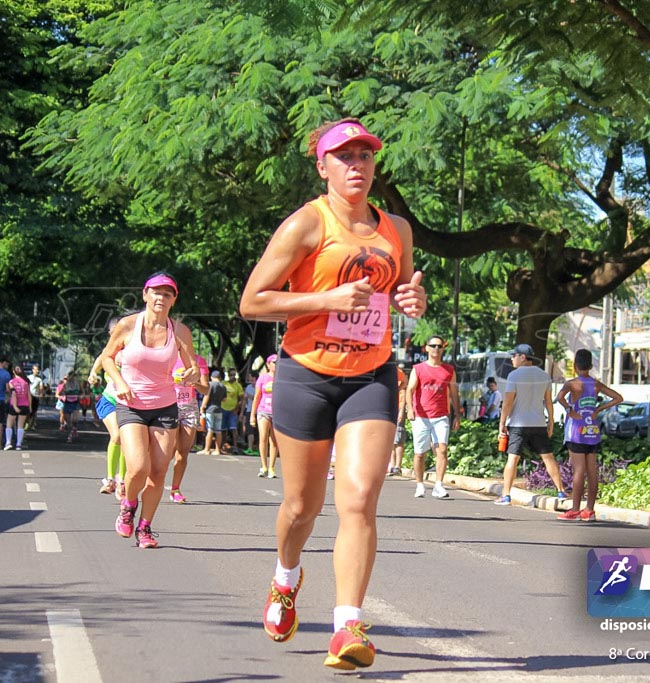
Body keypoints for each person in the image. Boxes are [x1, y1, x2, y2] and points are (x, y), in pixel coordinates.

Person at [239, 117, 425, 670]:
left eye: (365, 157)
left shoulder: (397, 229)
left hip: (370, 375)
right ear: (323, 168)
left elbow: (401, 291)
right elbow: (253, 302)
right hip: (306, 375)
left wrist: (413, 302)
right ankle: (285, 579)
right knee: (301, 507)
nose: (357, 166)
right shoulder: (304, 226)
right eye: (344, 157)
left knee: (361, 497)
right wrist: (326, 300)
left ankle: (347, 626)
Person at [100, 272, 198, 549]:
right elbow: (107, 357)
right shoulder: (127, 326)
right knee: (138, 468)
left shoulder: (180, 332)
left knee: (158, 472)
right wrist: (118, 382)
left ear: (173, 300)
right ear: (145, 295)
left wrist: (190, 374)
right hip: (131, 405)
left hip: (166, 406)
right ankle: (128, 506)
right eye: (156, 292)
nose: (160, 298)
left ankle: (145, 527)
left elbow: (192, 366)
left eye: (167, 294)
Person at [554, 349, 623, 521]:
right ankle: (589, 510)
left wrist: (570, 409)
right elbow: (618, 398)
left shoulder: (572, 384)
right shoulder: (596, 384)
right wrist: (598, 410)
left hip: (576, 430)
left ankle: (575, 509)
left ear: (575, 366)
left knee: (579, 470)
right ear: (591, 366)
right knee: (592, 471)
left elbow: (560, 398)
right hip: (592, 430)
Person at [495, 343, 566, 505]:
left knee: (513, 458)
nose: (512, 358)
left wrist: (502, 423)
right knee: (548, 457)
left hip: (518, 424)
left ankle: (506, 495)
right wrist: (551, 422)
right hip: (539, 422)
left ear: (523, 357)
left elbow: (507, 402)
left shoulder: (514, 376)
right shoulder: (544, 376)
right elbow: (548, 402)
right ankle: (561, 491)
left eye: (514, 355)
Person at [405, 336, 460, 499]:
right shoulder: (418, 368)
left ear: (443, 349)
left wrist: (457, 414)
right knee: (420, 453)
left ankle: (438, 485)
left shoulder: (449, 370)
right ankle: (420, 484)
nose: (436, 348)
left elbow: (454, 394)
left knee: (442, 450)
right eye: (433, 346)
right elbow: (410, 389)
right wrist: (410, 409)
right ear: (426, 348)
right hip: (421, 416)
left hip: (441, 415)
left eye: (439, 346)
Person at [89, 324, 127, 498]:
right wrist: (93, 373)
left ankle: (122, 480)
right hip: (109, 400)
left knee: (128, 441)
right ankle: (110, 478)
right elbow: (100, 360)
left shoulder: (136, 349)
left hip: (130, 404)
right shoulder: (110, 350)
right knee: (118, 436)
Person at [169, 349, 210, 503]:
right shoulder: (168, 358)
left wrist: (194, 382)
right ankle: (153, 483)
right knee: (167, 452)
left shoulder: (198, 361)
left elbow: (206, 389)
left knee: (183, 452)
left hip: (189, 407)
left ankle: (175, 489)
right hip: (169, 405)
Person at [250, 354, 279, 477]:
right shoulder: (262, 378)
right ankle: (264, 466)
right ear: (268, 364)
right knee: (263, 438)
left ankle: (272, 467)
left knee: (274, 441)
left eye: (278, 362)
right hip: (263, 411)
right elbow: (257, 397)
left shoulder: (282, 379)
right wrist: (252, 415)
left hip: (277, 412)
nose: (276, 365)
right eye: (274, 362)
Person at [4, 362, 32, 450]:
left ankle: (8, 442)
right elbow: (29, 395)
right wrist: (30, 407)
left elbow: (13, 394)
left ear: (13, 372)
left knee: (9, 424)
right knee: (20, 425)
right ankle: (18, 444)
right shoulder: (26, 382)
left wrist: (15, 406)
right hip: (24, 405)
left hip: (13, 405)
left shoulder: (11, 382)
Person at [201, 370, 227, 455]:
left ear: (212, 377)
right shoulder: (223, 386)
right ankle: (217, 450)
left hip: (210, 409)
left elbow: (206, 396)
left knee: (210, 429)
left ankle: (207, 449)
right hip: (219, 409)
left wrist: (202, 406)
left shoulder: (210, 384)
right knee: (218, 430)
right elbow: (224, 399)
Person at [388, 366, 407, 475]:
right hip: (388, 409)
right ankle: (392, 465)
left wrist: (401, 411)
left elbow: (405, 384)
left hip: (398, 408)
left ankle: (398, 466)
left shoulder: (396, 371)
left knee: (398, 438)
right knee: (390, 439)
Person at [221, 368, 245, 454]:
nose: (232, 376)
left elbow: (241, 399)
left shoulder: (238, 385)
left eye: (234, 375)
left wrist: (237, 409)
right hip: (223, 409)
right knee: (223, 429)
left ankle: (235, 447)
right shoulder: (223, 384)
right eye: (231, 374)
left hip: (232, 410)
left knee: (233, 429)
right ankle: (222, 446)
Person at [57, 372, 82, 441]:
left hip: (75, 403)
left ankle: (71, 434)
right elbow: (59, 393)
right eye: (72, 377)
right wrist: (62, 396)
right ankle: (70, 433)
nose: (73, 378)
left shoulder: (78, 384)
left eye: (74, 377)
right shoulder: (65, 384)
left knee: (74, 420)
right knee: (68, 422)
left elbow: (82, 392)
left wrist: (81, 396)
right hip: (67, 403)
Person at [27, 364, 44, 431]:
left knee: (34, 411)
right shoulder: (28, 377)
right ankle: (27, 423)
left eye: (38, 369)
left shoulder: (39, 379)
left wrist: (41, 394)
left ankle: (33, 424)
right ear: (32, 370)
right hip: (28, 396)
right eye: (35, 369)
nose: (37, 371)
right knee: (28, 410)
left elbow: (41, 388)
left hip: (35, 397)